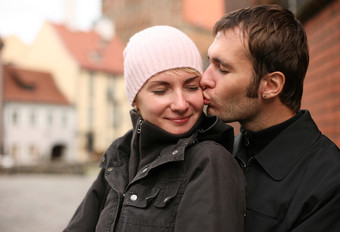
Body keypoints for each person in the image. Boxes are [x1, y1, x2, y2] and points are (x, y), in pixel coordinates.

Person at [64, 25, 246, 232]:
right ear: (135, 102)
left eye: (192, 87)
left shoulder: (209, 160)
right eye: (161, 90)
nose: (181, 104)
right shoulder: (119, 157)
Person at [200, 4, 340, 232]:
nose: (204, 79)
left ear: (271, 85)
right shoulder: (221, 151)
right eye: (209, 62)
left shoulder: (331, 183)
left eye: (223, 69)